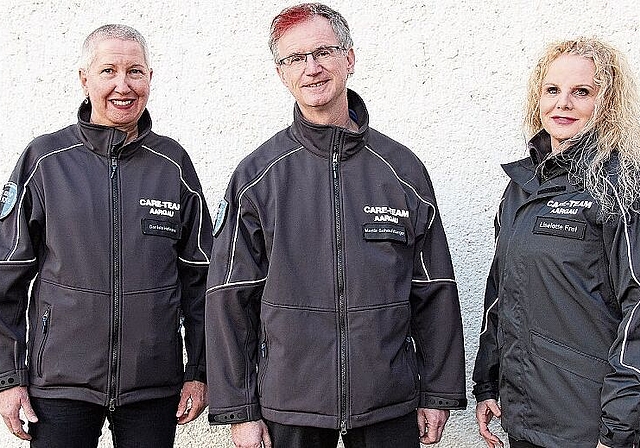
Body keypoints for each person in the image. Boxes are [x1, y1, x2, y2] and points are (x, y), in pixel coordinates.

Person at [205, 3, 466, 448]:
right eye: (295, 58)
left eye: (323, 51)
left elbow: (434, 287)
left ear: (349, 57)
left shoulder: (402, 171)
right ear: (281, 72)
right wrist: (239, 410)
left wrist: (437, 393)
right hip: (290, 405)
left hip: (387, 401)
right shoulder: (258, 176)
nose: (312, 68)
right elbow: (229, 298)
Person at [0, 24, 213, 447]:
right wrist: (7, 377)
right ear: (85, 79)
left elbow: (201, 280)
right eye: (108, 71)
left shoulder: (172, 165)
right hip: (60, 387)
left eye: (135, 71)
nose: (123, 85)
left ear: (150, 78)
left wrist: (201, 372)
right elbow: (6, 277)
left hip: (153, 389)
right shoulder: (45, 161)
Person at [473, 37, 640, 448]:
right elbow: (502, 293)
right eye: (553, 90)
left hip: (588, 428)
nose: (562, 103)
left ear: (609, 104)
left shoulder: (620, 188)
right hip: (524, 420)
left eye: (581, 92)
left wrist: (618, 428)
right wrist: (488, 384)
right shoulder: (521, 188)